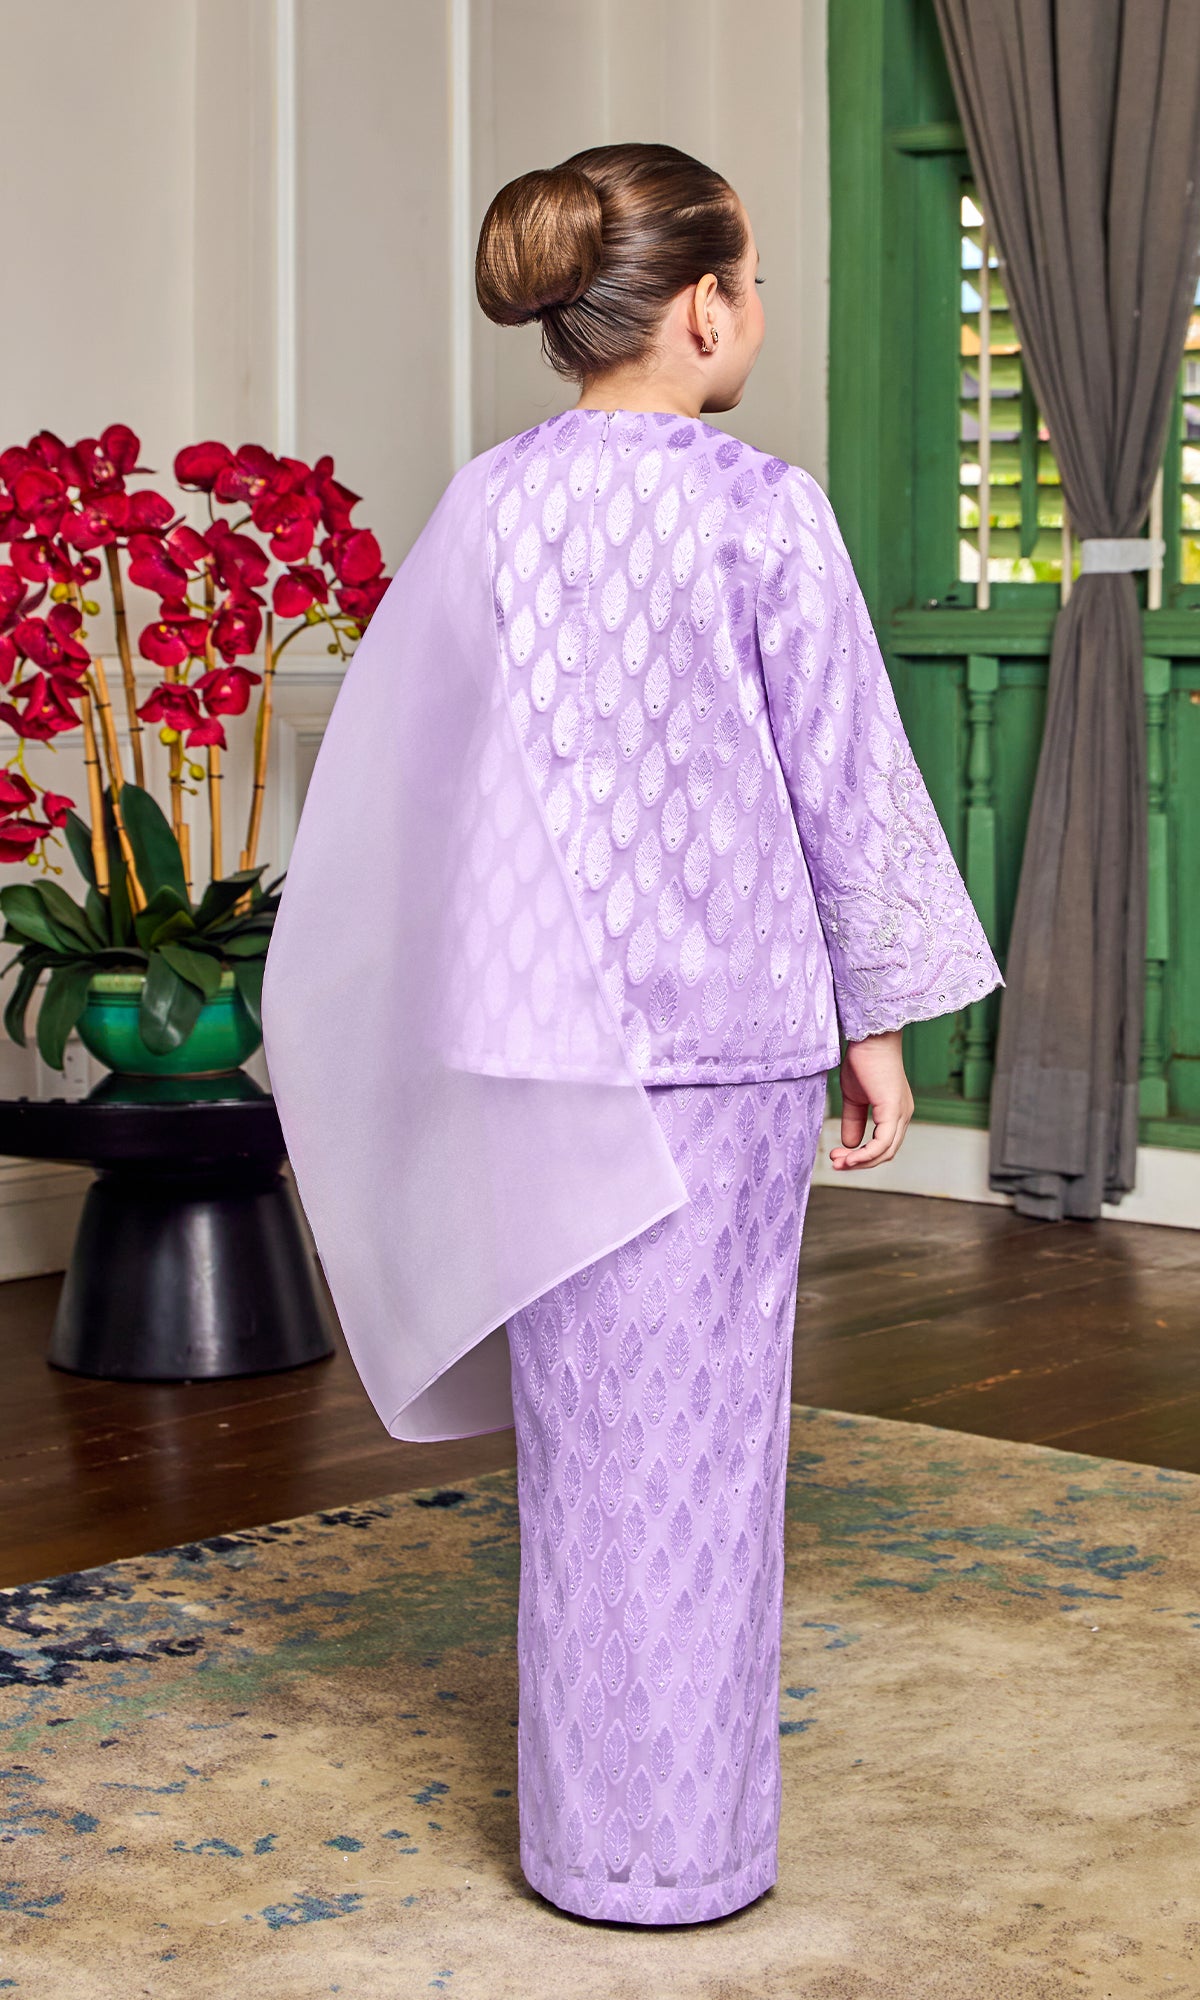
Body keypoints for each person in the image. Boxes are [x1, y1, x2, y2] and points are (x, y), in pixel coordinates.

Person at [261, 142, 1003, 1932]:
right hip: (727, 1039)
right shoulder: (764, 512)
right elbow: (843, 777)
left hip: (532, 1036)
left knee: (587, 1439)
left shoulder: (489, 508)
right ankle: (681, 1855)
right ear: (706, 310)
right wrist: (878, 1024)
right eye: (755, 284)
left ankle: (587, 1840)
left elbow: (423, 782)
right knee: (706, 1443)